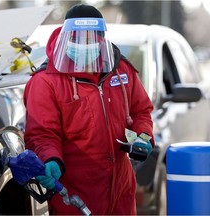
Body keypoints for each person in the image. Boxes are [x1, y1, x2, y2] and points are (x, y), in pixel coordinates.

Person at [22, 4, 154, 215]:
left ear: (101, 39)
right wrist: (50, 159)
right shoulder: (46, 82)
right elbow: (42, 133)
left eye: (90, 38)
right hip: (75, 195)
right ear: (67, 38)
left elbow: (141, 110)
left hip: (121, 190)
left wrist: (143, 135)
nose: (84, 44)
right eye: (77, 38)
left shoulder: (121, 70)